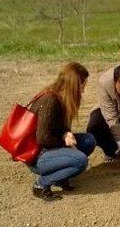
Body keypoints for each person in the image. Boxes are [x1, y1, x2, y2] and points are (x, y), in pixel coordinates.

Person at [29, 62, 96, 201]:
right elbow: (43, 138)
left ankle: (61, 177)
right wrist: (65, 142)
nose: (83, 91)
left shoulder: (62, 99)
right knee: (80, 161)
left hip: (49, 149)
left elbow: (57, 127)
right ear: (75, 85)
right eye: (83, 86)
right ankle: (41, 184)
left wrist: (66, 133)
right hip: (37, 156)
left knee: (89, 141)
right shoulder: (50, 100)